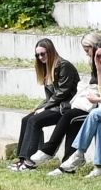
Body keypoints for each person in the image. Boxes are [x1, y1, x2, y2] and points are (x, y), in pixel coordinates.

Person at [52, 41, 101, 173]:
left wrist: (98, 99)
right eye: (99, 56)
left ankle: (79, 154)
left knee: (95, 114)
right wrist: (99, 71)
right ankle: (100, 167)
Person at [13, 38, 81, 169]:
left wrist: (45, 108)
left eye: (42, 54)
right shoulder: (47, 68)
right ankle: (22, 159)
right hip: (55, 105)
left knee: (34, 121)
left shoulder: (64, 66)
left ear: (50, 52)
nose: (40, 57)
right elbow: (50, 96)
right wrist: (39, 107)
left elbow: (62, 93)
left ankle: (29, 161)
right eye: (37, 55)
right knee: (26, 119)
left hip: (65, 107)